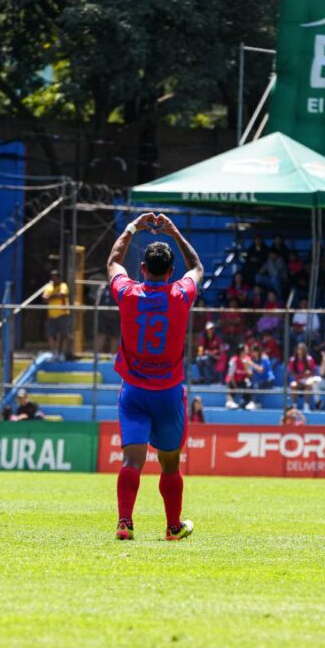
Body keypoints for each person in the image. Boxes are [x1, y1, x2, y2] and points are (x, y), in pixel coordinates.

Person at [107, 212, 203, 541]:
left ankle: (124, 522)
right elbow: (198, 268)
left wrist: (134, 227)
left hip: (133, 390)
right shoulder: (180, 294)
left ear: (143, 269)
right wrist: (175, 231)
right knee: (170, 463)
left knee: (132, 458)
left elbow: (113, 260)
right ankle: (173, 527)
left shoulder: (128, 293)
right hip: (168, 392)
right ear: (171, 271)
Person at [42, 268, 71, 360]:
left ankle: (61, 354)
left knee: (63, 335)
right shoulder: (49, 287)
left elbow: (62, 295)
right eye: (52, 278)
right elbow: (44, 298)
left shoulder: (63, 285)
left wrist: (51, 296)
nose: (54, 279)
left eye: (56, 277)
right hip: (51, 315)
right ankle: (54, 353)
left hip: (62, 314)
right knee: (50, 335)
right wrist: (54, 295)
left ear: (59, 278)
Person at [287, 343, 318, 410]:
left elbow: (313, 371)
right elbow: (290, 372)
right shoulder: (293, 360)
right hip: (298, 380)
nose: (300, 351)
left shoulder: (309, 359)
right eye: (299, 349)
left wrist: (308, 373)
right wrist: (301, 374)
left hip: (307, 380)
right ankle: (294, 406)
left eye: (302, 350)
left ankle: (306, 405)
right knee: (293, 385)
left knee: (308, 384)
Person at [225, 344, 254, 409]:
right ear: (241, 352)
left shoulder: (248, 360)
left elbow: (250, 374)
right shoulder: (234, 360)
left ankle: (248, 402)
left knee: (249, 383)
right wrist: (236, 387)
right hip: (234, 381)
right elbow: (231, 376)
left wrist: (248, 370)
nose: (247, 351)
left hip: (243, 380)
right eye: (245, 350)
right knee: (229, 383)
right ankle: (230, 401)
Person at [247, 344, 275, 410]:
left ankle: (256, 403)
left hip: (268, 381)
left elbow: (261, 370)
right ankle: (246, 402)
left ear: (257, 351)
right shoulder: (254, 360)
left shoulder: (264, 358)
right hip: (258, 381)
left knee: (257, 385)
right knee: (248, 384)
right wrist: (246, 366)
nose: (252, 353)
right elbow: (250, 374)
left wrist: (251, 364)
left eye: (253, 351)